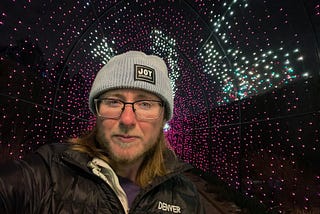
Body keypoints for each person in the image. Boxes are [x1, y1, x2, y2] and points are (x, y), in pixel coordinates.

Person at [0, 51, 205, 213]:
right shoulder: (48, 173)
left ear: (163, 117)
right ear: (97, 112)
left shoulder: (185, 196)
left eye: (144, 104)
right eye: (114, 102)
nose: (127, 119)